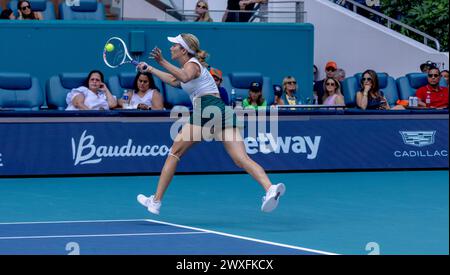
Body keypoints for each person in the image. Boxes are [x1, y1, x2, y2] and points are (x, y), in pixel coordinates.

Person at [136, 33, 285, 215]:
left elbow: (183, 77)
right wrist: (150, 69)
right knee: (241, 159)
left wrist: (161, 61)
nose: (171, 47)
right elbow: (176, 81)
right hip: (221, 111)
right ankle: (270, 188)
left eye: (174, 45)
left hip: (206, 109)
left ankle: (156, 201)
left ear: (183, 49)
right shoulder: (189, 67)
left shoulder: (191, 65)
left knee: (174, 153)